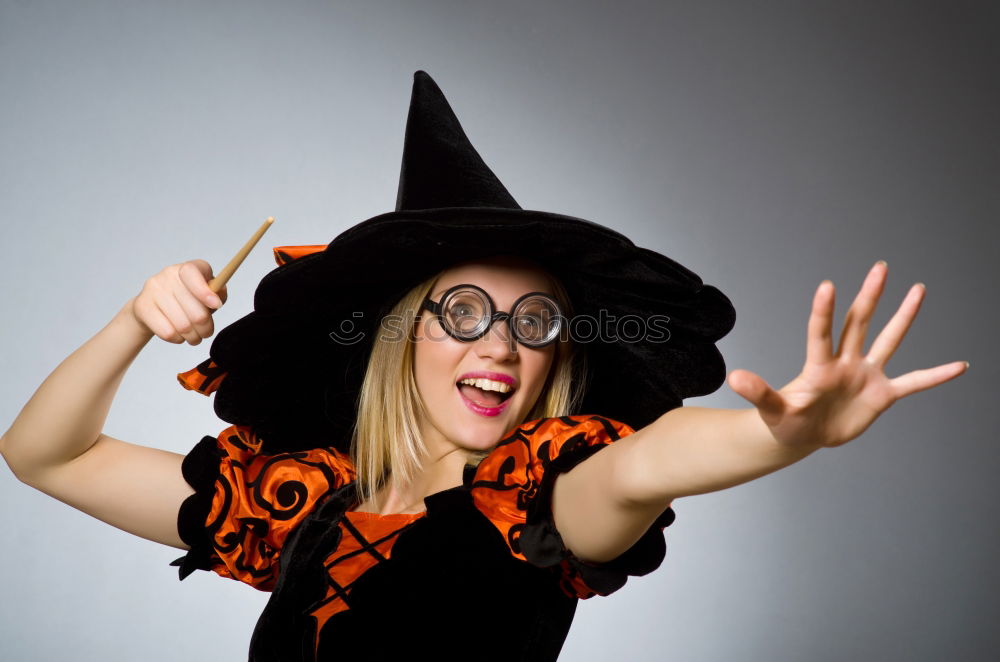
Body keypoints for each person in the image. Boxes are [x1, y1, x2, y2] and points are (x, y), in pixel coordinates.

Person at [0, 71, 967, 662]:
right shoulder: (298, 503)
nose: (498, 343)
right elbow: (45, 457)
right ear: (402, 335)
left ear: (555, 359)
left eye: (532, 320)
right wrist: (133, 319)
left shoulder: (540, 505)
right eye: (461, 312)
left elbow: (641, 466)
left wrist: (778, 435)